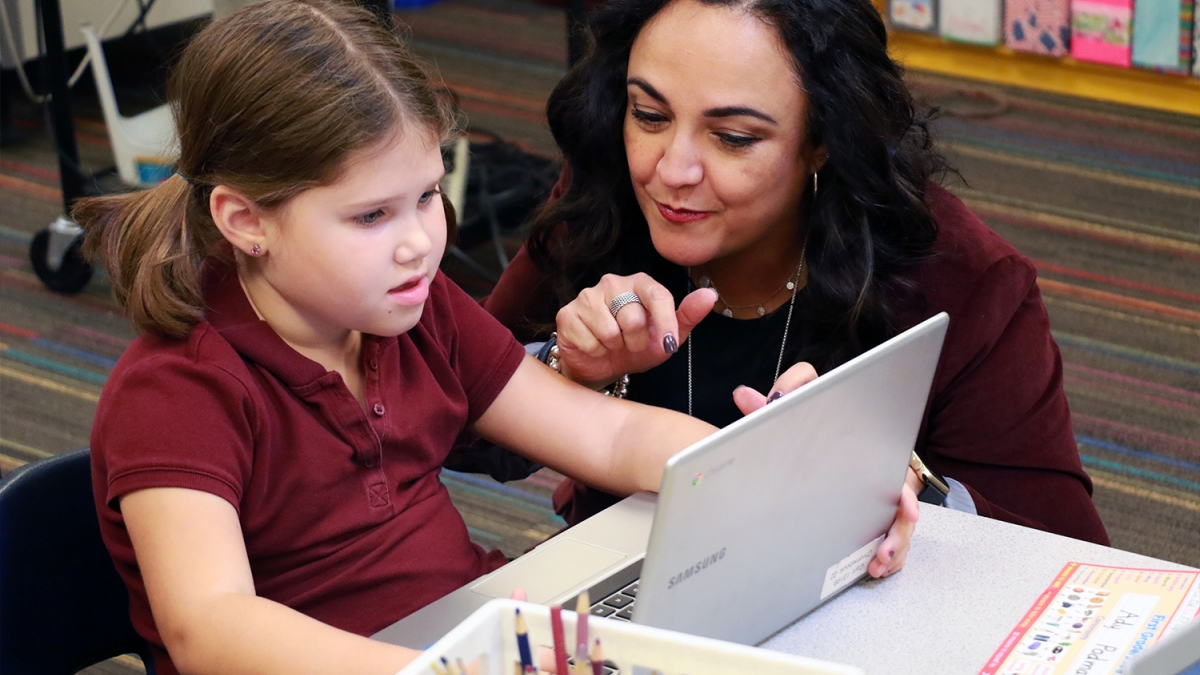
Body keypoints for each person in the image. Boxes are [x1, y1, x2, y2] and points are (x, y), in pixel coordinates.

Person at [74, 3, 915, 674]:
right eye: (370, 215)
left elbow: (606, 429)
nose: (419, 241)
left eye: (427, 195)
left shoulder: (413, 308)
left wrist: (773, 482)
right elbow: (211, 629)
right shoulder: (179, 390)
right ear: (245, 220)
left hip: (467, 631)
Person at [479, 0, 1109, 545]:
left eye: (731, 137)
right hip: (629, 575)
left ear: (821, 141)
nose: (671, 170)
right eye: (649, 116)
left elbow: (1068, 550)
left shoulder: (960, 277)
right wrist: (569, 370)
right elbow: (441, 416)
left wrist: (909, 486)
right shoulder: (605, 197)